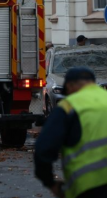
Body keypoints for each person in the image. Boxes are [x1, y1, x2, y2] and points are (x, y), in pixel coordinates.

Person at [34, 67, 107, 198]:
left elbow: (43, 149)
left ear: (70, 86)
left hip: (88, 186)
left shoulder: (69, 107)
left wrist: (50, 182)